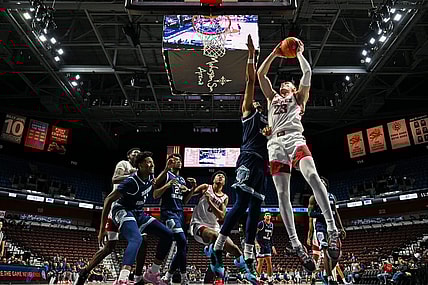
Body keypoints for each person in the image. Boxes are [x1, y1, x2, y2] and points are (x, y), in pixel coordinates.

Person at [257, 38, 341, 271]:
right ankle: (295, 244)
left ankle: (332, 230)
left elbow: (307, 72)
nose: (284, 83)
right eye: (283, 83)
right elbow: (260, 75)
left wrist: (299, 53)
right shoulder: (272, 98)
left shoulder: (298, 98)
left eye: (288, 83)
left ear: (294, 90)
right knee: (281, 193)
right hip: (274, 143)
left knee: (312, 176)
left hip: (294, 138)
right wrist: (274, 53)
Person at [210, 34, 268, 285]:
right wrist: (251, 55)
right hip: (246, 159)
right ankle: (218, 247)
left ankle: (247, 255)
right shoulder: (248, 113)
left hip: (261, 166)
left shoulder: (269, 122)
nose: (258, 100)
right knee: (241, 204)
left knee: (255, 209)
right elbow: (250, 80)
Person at [74, 148, 148, 285]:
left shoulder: (142, 172)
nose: (137, 154)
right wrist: (134, 174)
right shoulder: (124, 164)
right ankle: (86, 272)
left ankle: (137, 277)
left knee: (137, 241)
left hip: (130, 210)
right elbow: (115, 179)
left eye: (139, 152)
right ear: (128, 156)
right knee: (111, 247)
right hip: (118, 209)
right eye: (134, 152)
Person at [101, 151, 174, 285]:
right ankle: (122, 278)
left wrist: (166, 169)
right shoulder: (131, 181)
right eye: (148, 162)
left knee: (168, 234)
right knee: (137, 238)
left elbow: (155, 182)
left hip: (138, 212)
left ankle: (152, 273)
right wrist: (101, 230)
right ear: (140, 165)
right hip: (123, 210)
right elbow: (108, 200)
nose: (151, 164)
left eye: (152, 161)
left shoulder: (150, 174)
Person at [189, 171, 245, 280]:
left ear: (224, 182)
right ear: (213, 179)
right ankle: (210, 251)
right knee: (215, 237)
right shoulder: (206, 187)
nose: (220, 177)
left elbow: (222, 216)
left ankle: (247, 273)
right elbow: (189, 195)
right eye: (217, 175)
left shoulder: (225, 197)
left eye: (223, 176)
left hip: (215, 227)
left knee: (235, 249)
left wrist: (210, 201)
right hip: (199, 224)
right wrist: (192, 188)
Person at [153, 153, 197, 285]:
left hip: (180, 213)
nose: (178, 161)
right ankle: (182, 277)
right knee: (182, 241)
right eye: (175, 160)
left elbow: (184, 201)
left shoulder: (182, 180)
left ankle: (168, 276)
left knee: (184, 247)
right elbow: (155, 193)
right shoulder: (166, 175)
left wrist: (193, 188)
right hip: (169, 213)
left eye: (179, 160)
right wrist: (167, 179)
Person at [307, 177, 346, 285]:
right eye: (319, 181)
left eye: (323, 181)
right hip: (321, 226)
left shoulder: (332, 196)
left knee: (336, 254)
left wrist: (341, 227)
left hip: (332, 226)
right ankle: (330, 279)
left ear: (326, 184)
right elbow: (310, 213)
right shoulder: (313, 197)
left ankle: (325, 272)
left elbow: (336, 212)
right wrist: (323, 214)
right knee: (325, 251)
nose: (321, 182)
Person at [256, 212, 277, 285]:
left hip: (267, 244)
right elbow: (254, 233)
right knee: (260, 263)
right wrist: (256, 243)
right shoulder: (261, 224)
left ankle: (270, 280)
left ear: (270, 217)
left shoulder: (271, 225)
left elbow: (271, 237)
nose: (268, 216)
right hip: (260, 244)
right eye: (266, 215)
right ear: (264, 217)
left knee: (269, 263)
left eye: (269, 215)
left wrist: (273, 246)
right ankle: (257, 279)